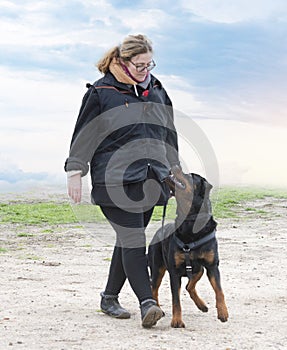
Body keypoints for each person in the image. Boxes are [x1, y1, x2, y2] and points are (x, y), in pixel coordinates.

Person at [64, 34, 181, 328]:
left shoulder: (156, 89)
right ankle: (147, 303)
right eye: (139, 65)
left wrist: (175, 169)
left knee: (128, 240)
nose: (146, 70)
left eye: (149, 64)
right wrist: (75, 171)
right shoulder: (101, 92)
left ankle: (109, 297)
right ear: (123, 61)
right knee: (133, 239)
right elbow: (84, 134)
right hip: (113, 180)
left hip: (151, 177)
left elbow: (168, 131)